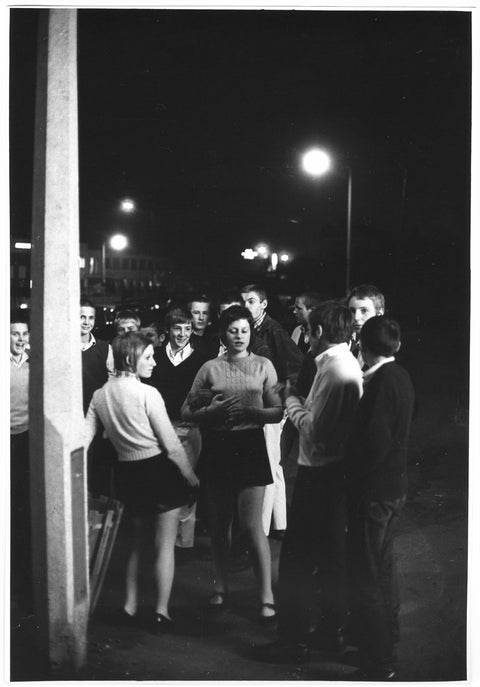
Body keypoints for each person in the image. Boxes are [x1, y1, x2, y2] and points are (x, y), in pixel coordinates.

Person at [256, 301, 363, 664]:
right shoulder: (339, 364)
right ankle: (327, 635)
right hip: (332, 475)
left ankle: (292, 642)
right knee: (330, 560)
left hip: (322, 475)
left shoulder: (335, 369)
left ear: (317, 332)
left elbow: (313, 428)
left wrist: (290, 400)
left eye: (309, 329)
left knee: (299, 561)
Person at [85, 332, 199, 633]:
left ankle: (129, 606)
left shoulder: (100, 395)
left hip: (127, 475)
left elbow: (85, 439)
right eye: (148, 356)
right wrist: (191, 477)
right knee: (164, 546)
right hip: (159, 471)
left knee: (135, 544)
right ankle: (161, 613)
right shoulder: (148, 394)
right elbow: (172, 445)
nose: (153, 362)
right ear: (130, 359)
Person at [181, 305, 283, 619]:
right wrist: (209, 413)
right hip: (219, 447)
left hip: (250, 446)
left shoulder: (264, 365)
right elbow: (186, 410)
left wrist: (254, 414)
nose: (239, 336)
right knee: (219, 525)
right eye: (232, 330)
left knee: (253, 527)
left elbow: (278, 411)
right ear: (223, 333)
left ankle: (266, 595)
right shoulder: (210, 368)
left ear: (251, 333)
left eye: (244, 331)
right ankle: (221, 587)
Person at [344, 317, 415, 681]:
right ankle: (386, 643)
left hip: (374, 492)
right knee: (382, 571)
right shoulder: (400, 376)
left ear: (364, 347)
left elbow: (374, 444)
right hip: (394, 488)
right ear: (397, 346)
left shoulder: (379, 383)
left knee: (368, 574)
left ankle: (380, 661)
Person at [241, 284, 304, 538]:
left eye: (252, 301)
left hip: (272, 405)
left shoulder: (272, 330)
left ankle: (266, 527)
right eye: (244, 301)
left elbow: (296, 363)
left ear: (263, 304)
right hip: (267, 404)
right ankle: (279, 524)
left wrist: (285, 396)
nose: (247, 306)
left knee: (269, 464)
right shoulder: (255, 328)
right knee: (273, 464)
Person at [145, 308, 207, 548]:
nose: (182, 334)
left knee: (187, 483)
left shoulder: (201, 359)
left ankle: (183, 543)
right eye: (177, 329)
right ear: (168, 330)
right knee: (162, 483)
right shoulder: (156, 356)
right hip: (159, 428)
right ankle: (163, 541)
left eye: (187, 329)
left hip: (188, 427)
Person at [80, 299, 115, 495]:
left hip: (98, 417)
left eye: (90, 317)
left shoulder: (104, 347)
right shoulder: (64, 347)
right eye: (82, 317)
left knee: (99, 468)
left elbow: (111, 382)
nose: (86, 322)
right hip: (75, 416)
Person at [10, 311, 32, 611]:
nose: (20, 339)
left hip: (28, 439)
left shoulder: (34, 364)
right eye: (15, 333)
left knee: (24, 510)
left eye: (25, 335)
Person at [347, 284, 385, 368]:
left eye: (364, 311)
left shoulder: (387, 349)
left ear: (379, 313)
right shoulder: (350, 347)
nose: (356, 317)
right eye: (352, 311)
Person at [188, 294, 219, 359]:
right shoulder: (183, 339)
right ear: (188, 314)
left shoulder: (215, 340)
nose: (201, 318)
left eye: (205, 313)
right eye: (196, 313)